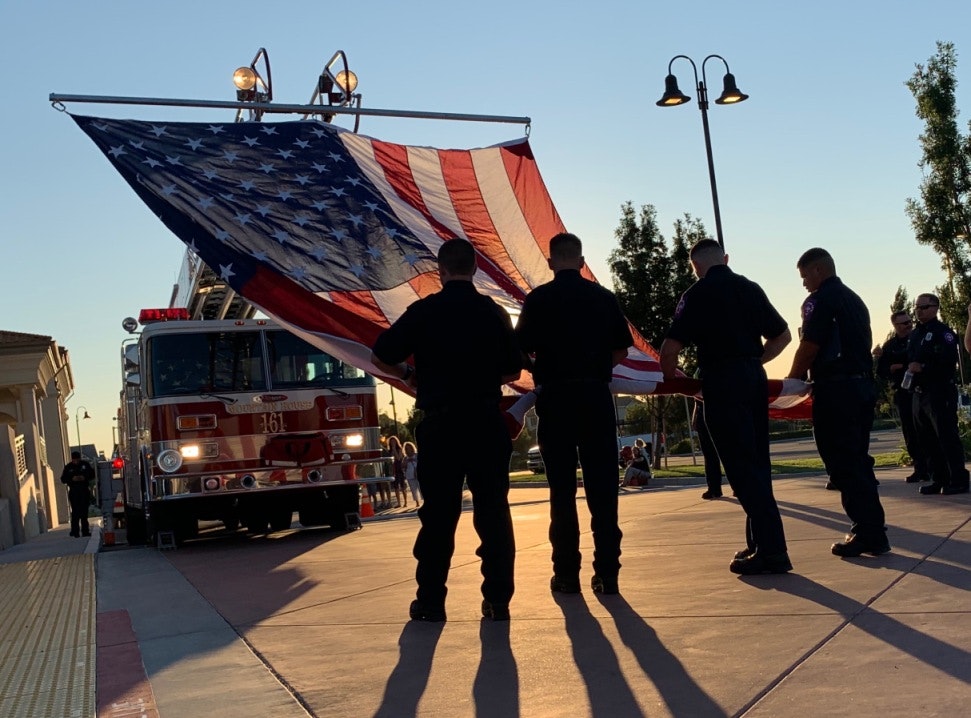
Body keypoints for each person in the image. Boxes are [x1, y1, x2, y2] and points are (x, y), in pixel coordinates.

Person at [371, 238, 521, 622]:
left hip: (442, 424)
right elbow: (512, 371)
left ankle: (432, 601)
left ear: (441, 270)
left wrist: (408, 373)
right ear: (474, 268)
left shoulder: (424, 312)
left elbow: (380, 354)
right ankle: (498, 600)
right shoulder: (494, 312)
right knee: (493, 511)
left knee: (439, 516)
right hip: (486, 420)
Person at [660, 239, 792, 575]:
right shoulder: (750, 288)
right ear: (726, 259)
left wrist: (674, 380)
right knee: (758, 463)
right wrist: (753, 361)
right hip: (752, 377)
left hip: (720, 380)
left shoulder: (696, 294)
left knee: (739, 468)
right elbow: (782, 336)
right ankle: (760, 541)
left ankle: (773, 551)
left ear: (696, 266)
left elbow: (670, 348)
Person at [515, 232, 634, 595]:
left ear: (550, 262)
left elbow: (518, 349)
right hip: (595, 397)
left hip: (556, 399)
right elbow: (620, 350)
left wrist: (541, 370)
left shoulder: (537, 300)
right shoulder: (603, 298)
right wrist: (596, 368)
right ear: (582, 262)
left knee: (561, 493)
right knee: (603, 491)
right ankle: (608, 573)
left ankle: (566, 574)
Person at [787, 248, 890, 557]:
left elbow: (810, 345)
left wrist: (792, 379)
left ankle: (868, 532)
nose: (804, 283)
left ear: (819, 270)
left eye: (805, 276)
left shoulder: (819, 301)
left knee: (843, 464)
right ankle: (873, 528)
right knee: (857, 459)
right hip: (860, 387)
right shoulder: (854, 300)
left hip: (836, 392)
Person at [907, 294, 970, 495]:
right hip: (919, 393)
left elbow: (947, 363)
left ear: (935, 308)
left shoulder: (943, 333)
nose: (919, 311)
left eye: (924, 307)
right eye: (917, 307)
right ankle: (939, 478)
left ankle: (958, 478)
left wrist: (923, 367)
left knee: (946, 436)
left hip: (939, 391)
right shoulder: (916, 334)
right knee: (927, 439)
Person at [874, 310, 929, 483]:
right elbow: (881, 372)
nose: (908, 326)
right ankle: (920, 469)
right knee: (910, 433)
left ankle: (935, 467)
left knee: (926, 430)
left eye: (909, 322)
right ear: (895, 326)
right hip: (903, 393)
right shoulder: (890, 346)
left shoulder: (919, 339)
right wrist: (889, 367)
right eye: (903, 323)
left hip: (923, 390)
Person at [693, 399, 724, 499]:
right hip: (703, 413)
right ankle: (714, 488)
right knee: (710, 454)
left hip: (716, 411)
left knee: (712, 455)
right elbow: (696, 399)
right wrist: (695, 416)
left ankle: (715, 489)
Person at [60, 450, 94, 538]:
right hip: (74, 491)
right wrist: (72, 479)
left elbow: (92, 474)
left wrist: (84, 477)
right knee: (75, 512)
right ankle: (75, 531)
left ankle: (85, 531)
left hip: (84, 490)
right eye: (74, 460)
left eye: (77, 459)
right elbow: (63, 479)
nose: (76, 461)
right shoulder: (68, 467)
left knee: (84, 512)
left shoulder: (85, 465)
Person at [387, 435, 408, 508]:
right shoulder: (389, 451)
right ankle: (399, 503)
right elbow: (390, 460)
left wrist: (394, 450)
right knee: (396, 487)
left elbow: (399, 458)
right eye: (391, 441)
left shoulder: (399, 449)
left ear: (396, 441)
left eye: (394, 441)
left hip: (400, 469)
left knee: (402, 487)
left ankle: (405, 502)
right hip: (393, 470)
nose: (393, 442)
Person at [402, 441, 422, 506]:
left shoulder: (417, 455)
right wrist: (407, 462)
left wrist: (414, 460)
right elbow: (403, 466)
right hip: (410, 475)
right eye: (406, 448)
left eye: (409, 447)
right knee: (413, 490)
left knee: (421, 488)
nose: (408, 449)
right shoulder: (405, 458)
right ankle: (417, 502)